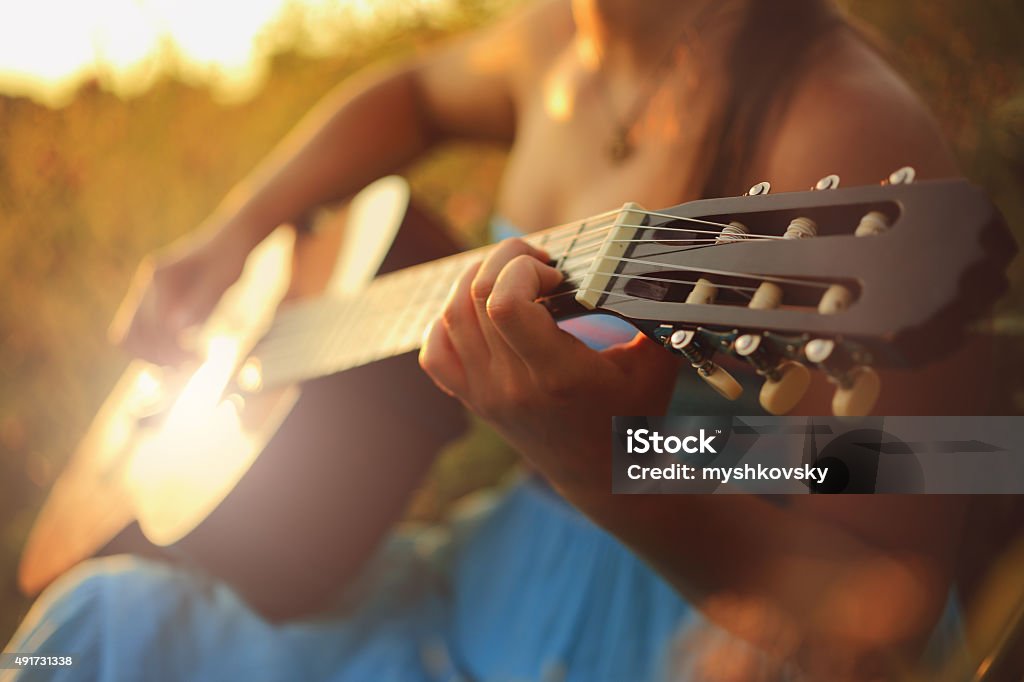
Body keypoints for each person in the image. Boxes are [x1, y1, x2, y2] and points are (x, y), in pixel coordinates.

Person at [4, 0, 973, 680]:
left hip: (662, 627)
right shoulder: (562, 38)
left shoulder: (829, 125)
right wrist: (236, 227)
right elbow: (415, 95)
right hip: (496, 568)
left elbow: (900, 586)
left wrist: (614, 466)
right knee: (95, 627)